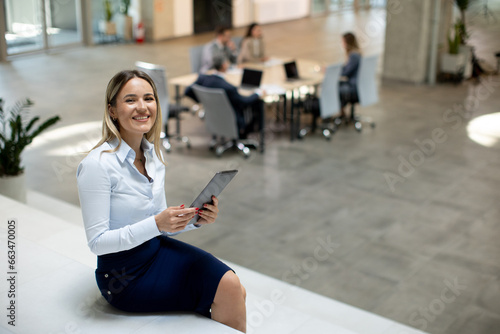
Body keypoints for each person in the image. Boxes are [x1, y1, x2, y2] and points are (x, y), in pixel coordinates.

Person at [76, 70, 247, 332]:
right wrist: (156, 224)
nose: (142, 107)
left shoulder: (153, 155)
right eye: (130, 100)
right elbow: (98, 243)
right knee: (227, 290)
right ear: (112, 110)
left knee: (234, 288)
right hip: (122, 277)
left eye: (149, 98)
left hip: (156, 251)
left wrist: (196, 221)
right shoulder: (97, 166)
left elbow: (160, 223)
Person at [185, 57, 264, 139]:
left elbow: (187, 91)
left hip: (213, 117)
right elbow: (244, 102)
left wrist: (204, 101)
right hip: (232, 120)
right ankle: (245, 135)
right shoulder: (228, 88)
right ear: (224, 65)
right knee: (258, 103)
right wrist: (257, 93)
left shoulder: (202, 79)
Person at [338, 32, 361, 120]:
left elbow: (346, 73)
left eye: (343, 42)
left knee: (335, 87)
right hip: (356, 85)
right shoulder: (356, 53)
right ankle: (341, 111)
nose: (342, 44)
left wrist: (333, 72)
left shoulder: (353, 55)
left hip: (353, 87)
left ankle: (340, 112)